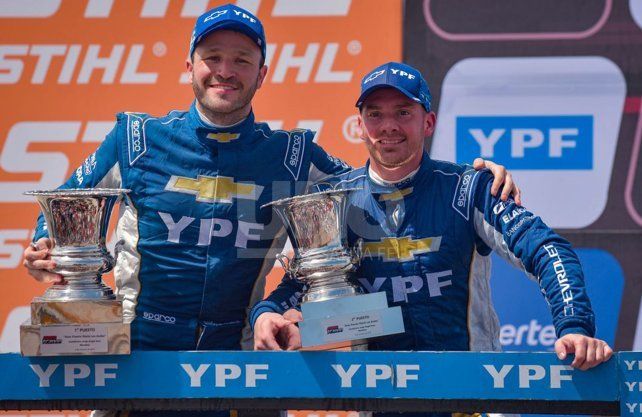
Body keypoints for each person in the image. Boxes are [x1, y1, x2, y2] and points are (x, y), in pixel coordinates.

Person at [22, 6, 515, 353]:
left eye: (242, 60)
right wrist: (45, 252)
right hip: (140, 352)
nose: (225, 71)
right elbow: (63, 211)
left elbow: (379, 183)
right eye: (213, 56)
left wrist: (467, 178)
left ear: (261, 74)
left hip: (240, 359)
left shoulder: (290, 156)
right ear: (189, 66)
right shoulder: (136, 139)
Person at [251, 62, 613, 378]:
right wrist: (267, 314)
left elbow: (547, 249)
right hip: (380, 399)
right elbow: (305, 283)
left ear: (428, 122)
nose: (388, 126)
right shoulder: (336, 200)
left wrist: (574, 326)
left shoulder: (470, 188)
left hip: (471, 392)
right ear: (359, 125)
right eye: (375, 114)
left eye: (403, 112)